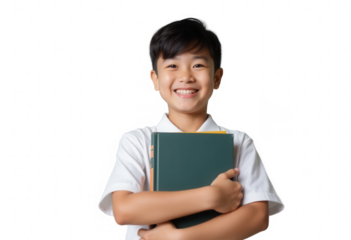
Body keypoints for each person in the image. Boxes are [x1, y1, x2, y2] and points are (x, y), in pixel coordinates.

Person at [97, 17, 285, 240]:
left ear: (217, 78)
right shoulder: (136, 140)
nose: (185, 77)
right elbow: (125, 210)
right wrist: (212, 196)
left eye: (198, 65)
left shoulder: (239, 141)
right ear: (154, 79)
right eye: (173, 65)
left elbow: (257, 217)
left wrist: (180, 238)